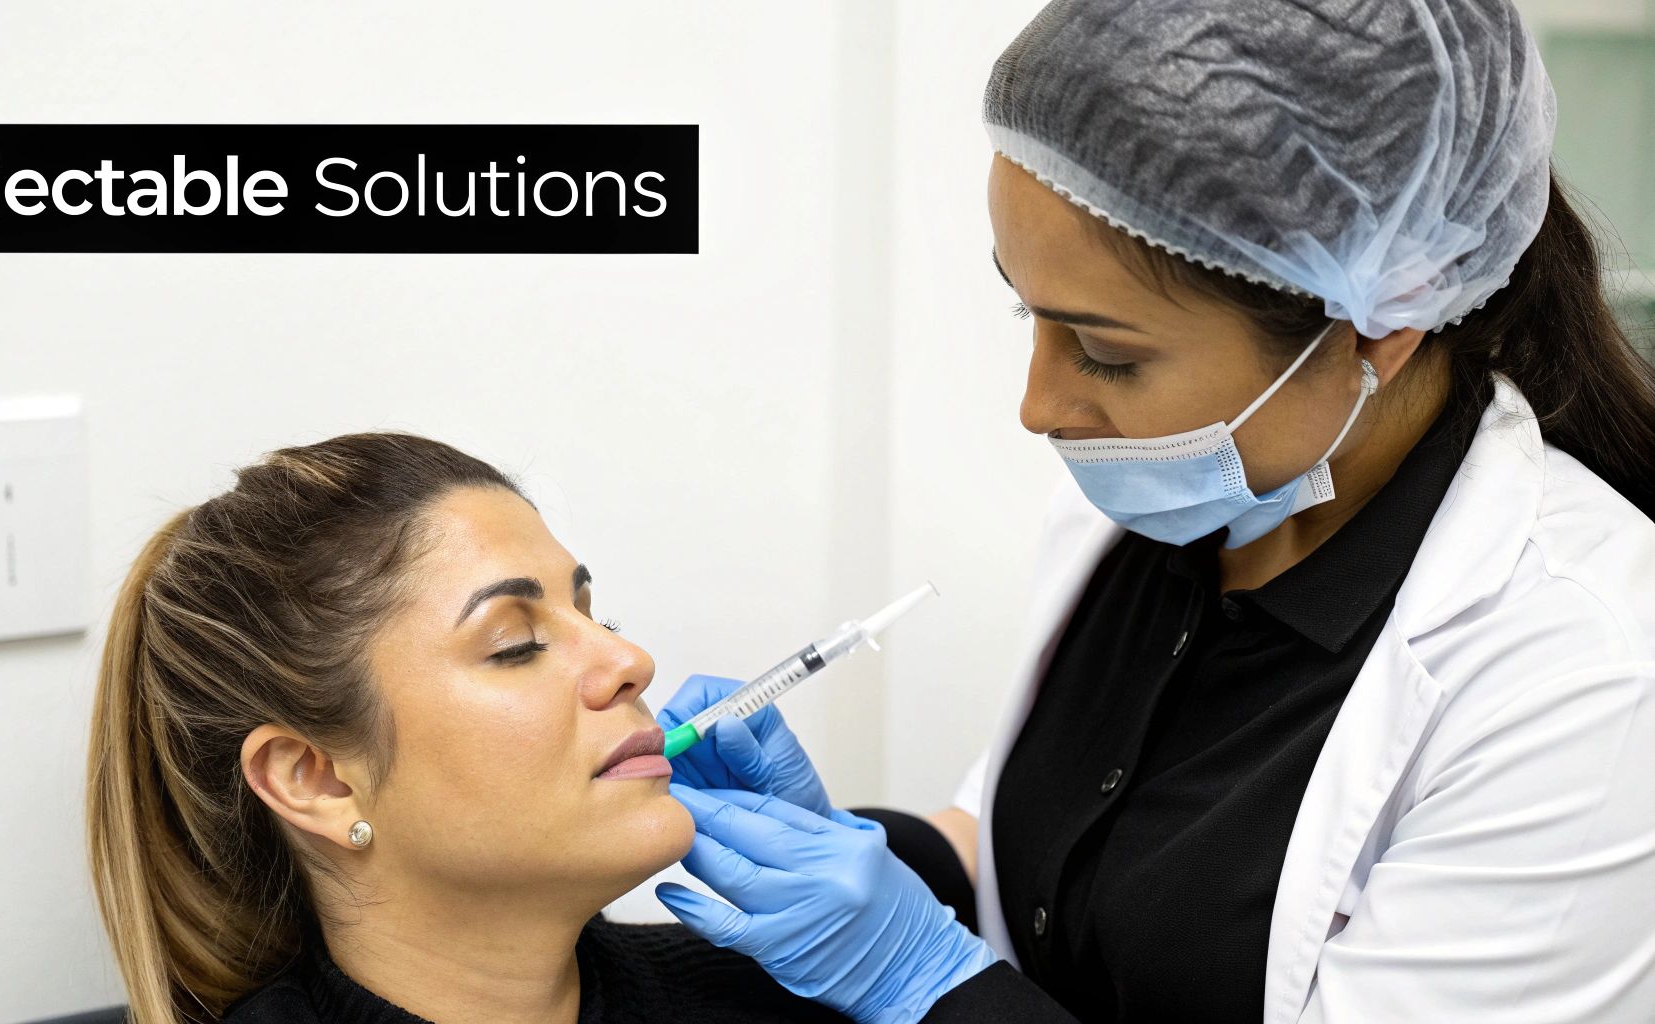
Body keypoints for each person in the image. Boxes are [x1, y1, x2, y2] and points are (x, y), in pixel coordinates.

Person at [653, 1, 1655, 1021]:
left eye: (1108, 355)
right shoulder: (1162, 504)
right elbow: (1037, 868)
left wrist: (913, 975)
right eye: (1024, 309)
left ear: (1378, 327)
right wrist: (851, 854)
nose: (1038, 406)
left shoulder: (1582, 683)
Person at [85, 433, 847, 1024]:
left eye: (592, 613)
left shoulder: (783, 990)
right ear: (313, 779)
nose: (629, 660)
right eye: (515, 645)